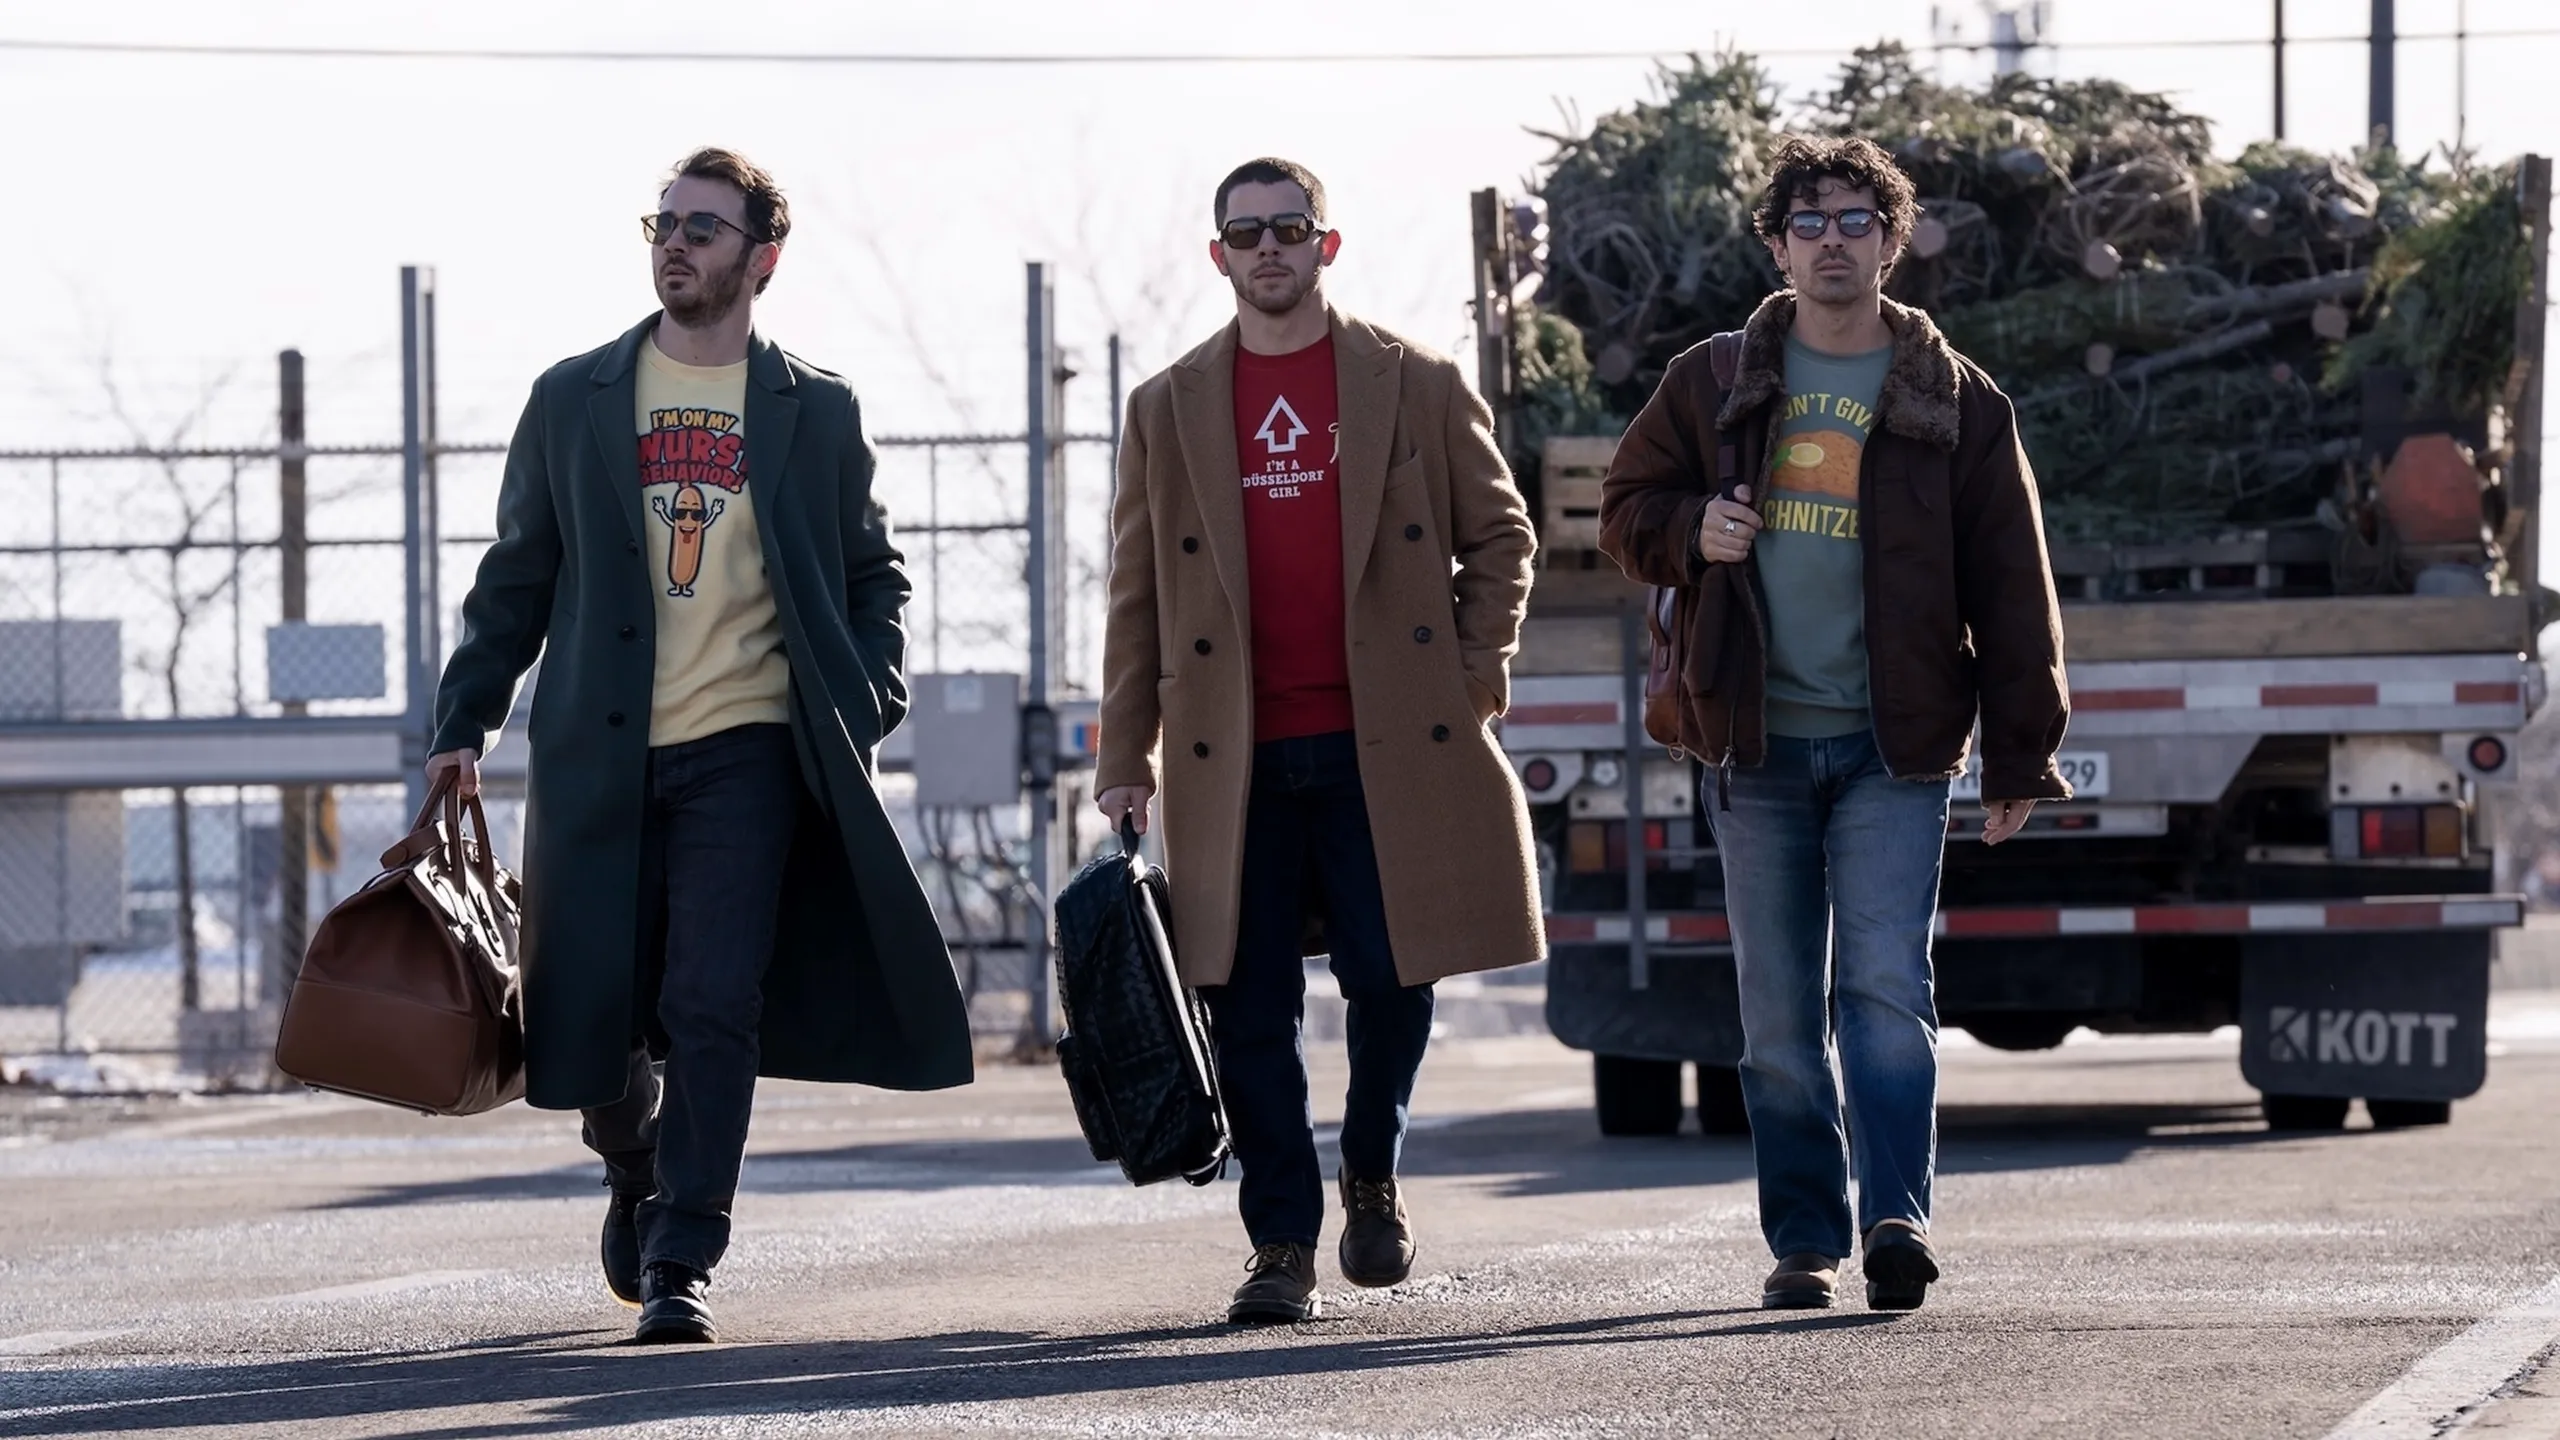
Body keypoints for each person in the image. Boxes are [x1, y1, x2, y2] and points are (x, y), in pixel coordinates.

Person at [425, 147, 971, 1344]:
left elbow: (876, 575)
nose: (676, 243)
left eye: (704, 228)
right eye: (663, 223)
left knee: (715, 1004)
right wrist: (462, 717)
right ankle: (633, 1168)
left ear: (760, 258)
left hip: (750, 747)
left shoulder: (813, 410)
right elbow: (517, 573)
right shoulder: (573, 396)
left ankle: (683, 1253)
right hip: (596, 757)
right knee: (595, 1012)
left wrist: (867, 690)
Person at [1596, 135, 2071, 1314]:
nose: (1831, 241)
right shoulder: (1712, 380)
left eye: (1856, 220)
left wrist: (2022, 748)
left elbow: (2014, 581)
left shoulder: (1953, 396)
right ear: (1775, 244)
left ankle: (1895, 1219)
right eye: (1808, 222)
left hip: (1892, 745)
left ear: (1892, 242)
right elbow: (1621, 509)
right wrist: (1690, 527)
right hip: (1751, 739)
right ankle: (1804, 1238)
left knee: (1883, 990)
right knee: (1774, 1021)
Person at [1096, 156, 1542, 1324]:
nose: (1269, 249)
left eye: (1289, 228)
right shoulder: (1166, 405)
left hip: (1382, 743)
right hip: (1225, 759)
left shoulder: (1417, 382)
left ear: (1325, 245)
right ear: (1219, 258)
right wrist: (1120, 756)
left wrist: (1472, 679)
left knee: (1394, 981)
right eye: (1245, 235)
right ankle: (1282, 1241)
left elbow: (1502, 540)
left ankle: (1371, 1169)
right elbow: (1134, 594)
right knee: (1245, 1008)